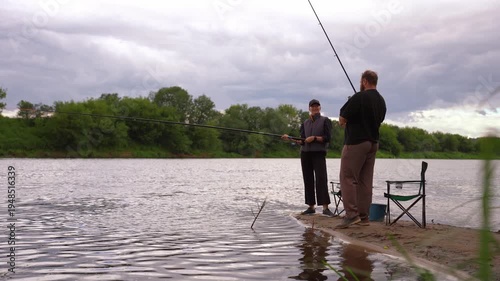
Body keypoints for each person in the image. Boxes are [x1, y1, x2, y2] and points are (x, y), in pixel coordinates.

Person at [336, 70, 386, 229]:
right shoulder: (381, 101)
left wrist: (345, 120)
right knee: (365, 181)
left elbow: (342, 119)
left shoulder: (359, 97)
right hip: (373, 143)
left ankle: (351, 214)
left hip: (356, 143)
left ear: (364, 81)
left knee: (348, 177)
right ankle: (364, 217)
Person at [282, 99, 334, 217]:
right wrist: (289, 138)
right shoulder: (305, 123)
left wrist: (314, 138)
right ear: (309, 108)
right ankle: (311, 207)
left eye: (317, 106)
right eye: (312, 106)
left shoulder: (325, 121)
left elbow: (327, 138)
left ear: (320, 107)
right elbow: (302, 141)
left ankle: (325, 207)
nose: (315, 108)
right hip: (305, 154)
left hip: (319, 153)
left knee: (321, 178)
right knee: (308, 179)